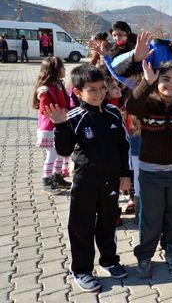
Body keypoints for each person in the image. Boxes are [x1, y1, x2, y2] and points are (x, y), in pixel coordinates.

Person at [44, 64, 131, 292]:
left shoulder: (113, 113)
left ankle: (109, 260)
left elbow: (124, 146)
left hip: (111, 181)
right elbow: (63, 150)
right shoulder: (73, 117)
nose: (99, 93)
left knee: (107, 223)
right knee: (81, 226)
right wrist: (61, 125)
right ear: (78, 92)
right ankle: (82, 270)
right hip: (85, 182)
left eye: (102, 88)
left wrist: (126, 175)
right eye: (91, 89)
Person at [125, 61, 172, 278]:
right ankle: (145, 256)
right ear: (157, 80)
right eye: (166, 79)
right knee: (151, 218)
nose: (171, 84)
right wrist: (147, 83)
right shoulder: (147, 102)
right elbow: (131, 106)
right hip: (150, 173)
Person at [32, 57, 72, 194]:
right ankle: (46, 179)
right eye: (62, 67)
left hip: (60, 124)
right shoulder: (45, 89)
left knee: (60, 152)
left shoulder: (59, 85)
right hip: (50, 128)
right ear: (55, 70)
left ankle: (57, 176)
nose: (65, 69)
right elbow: (45, 109)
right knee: (53, 153)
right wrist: (61, 112)